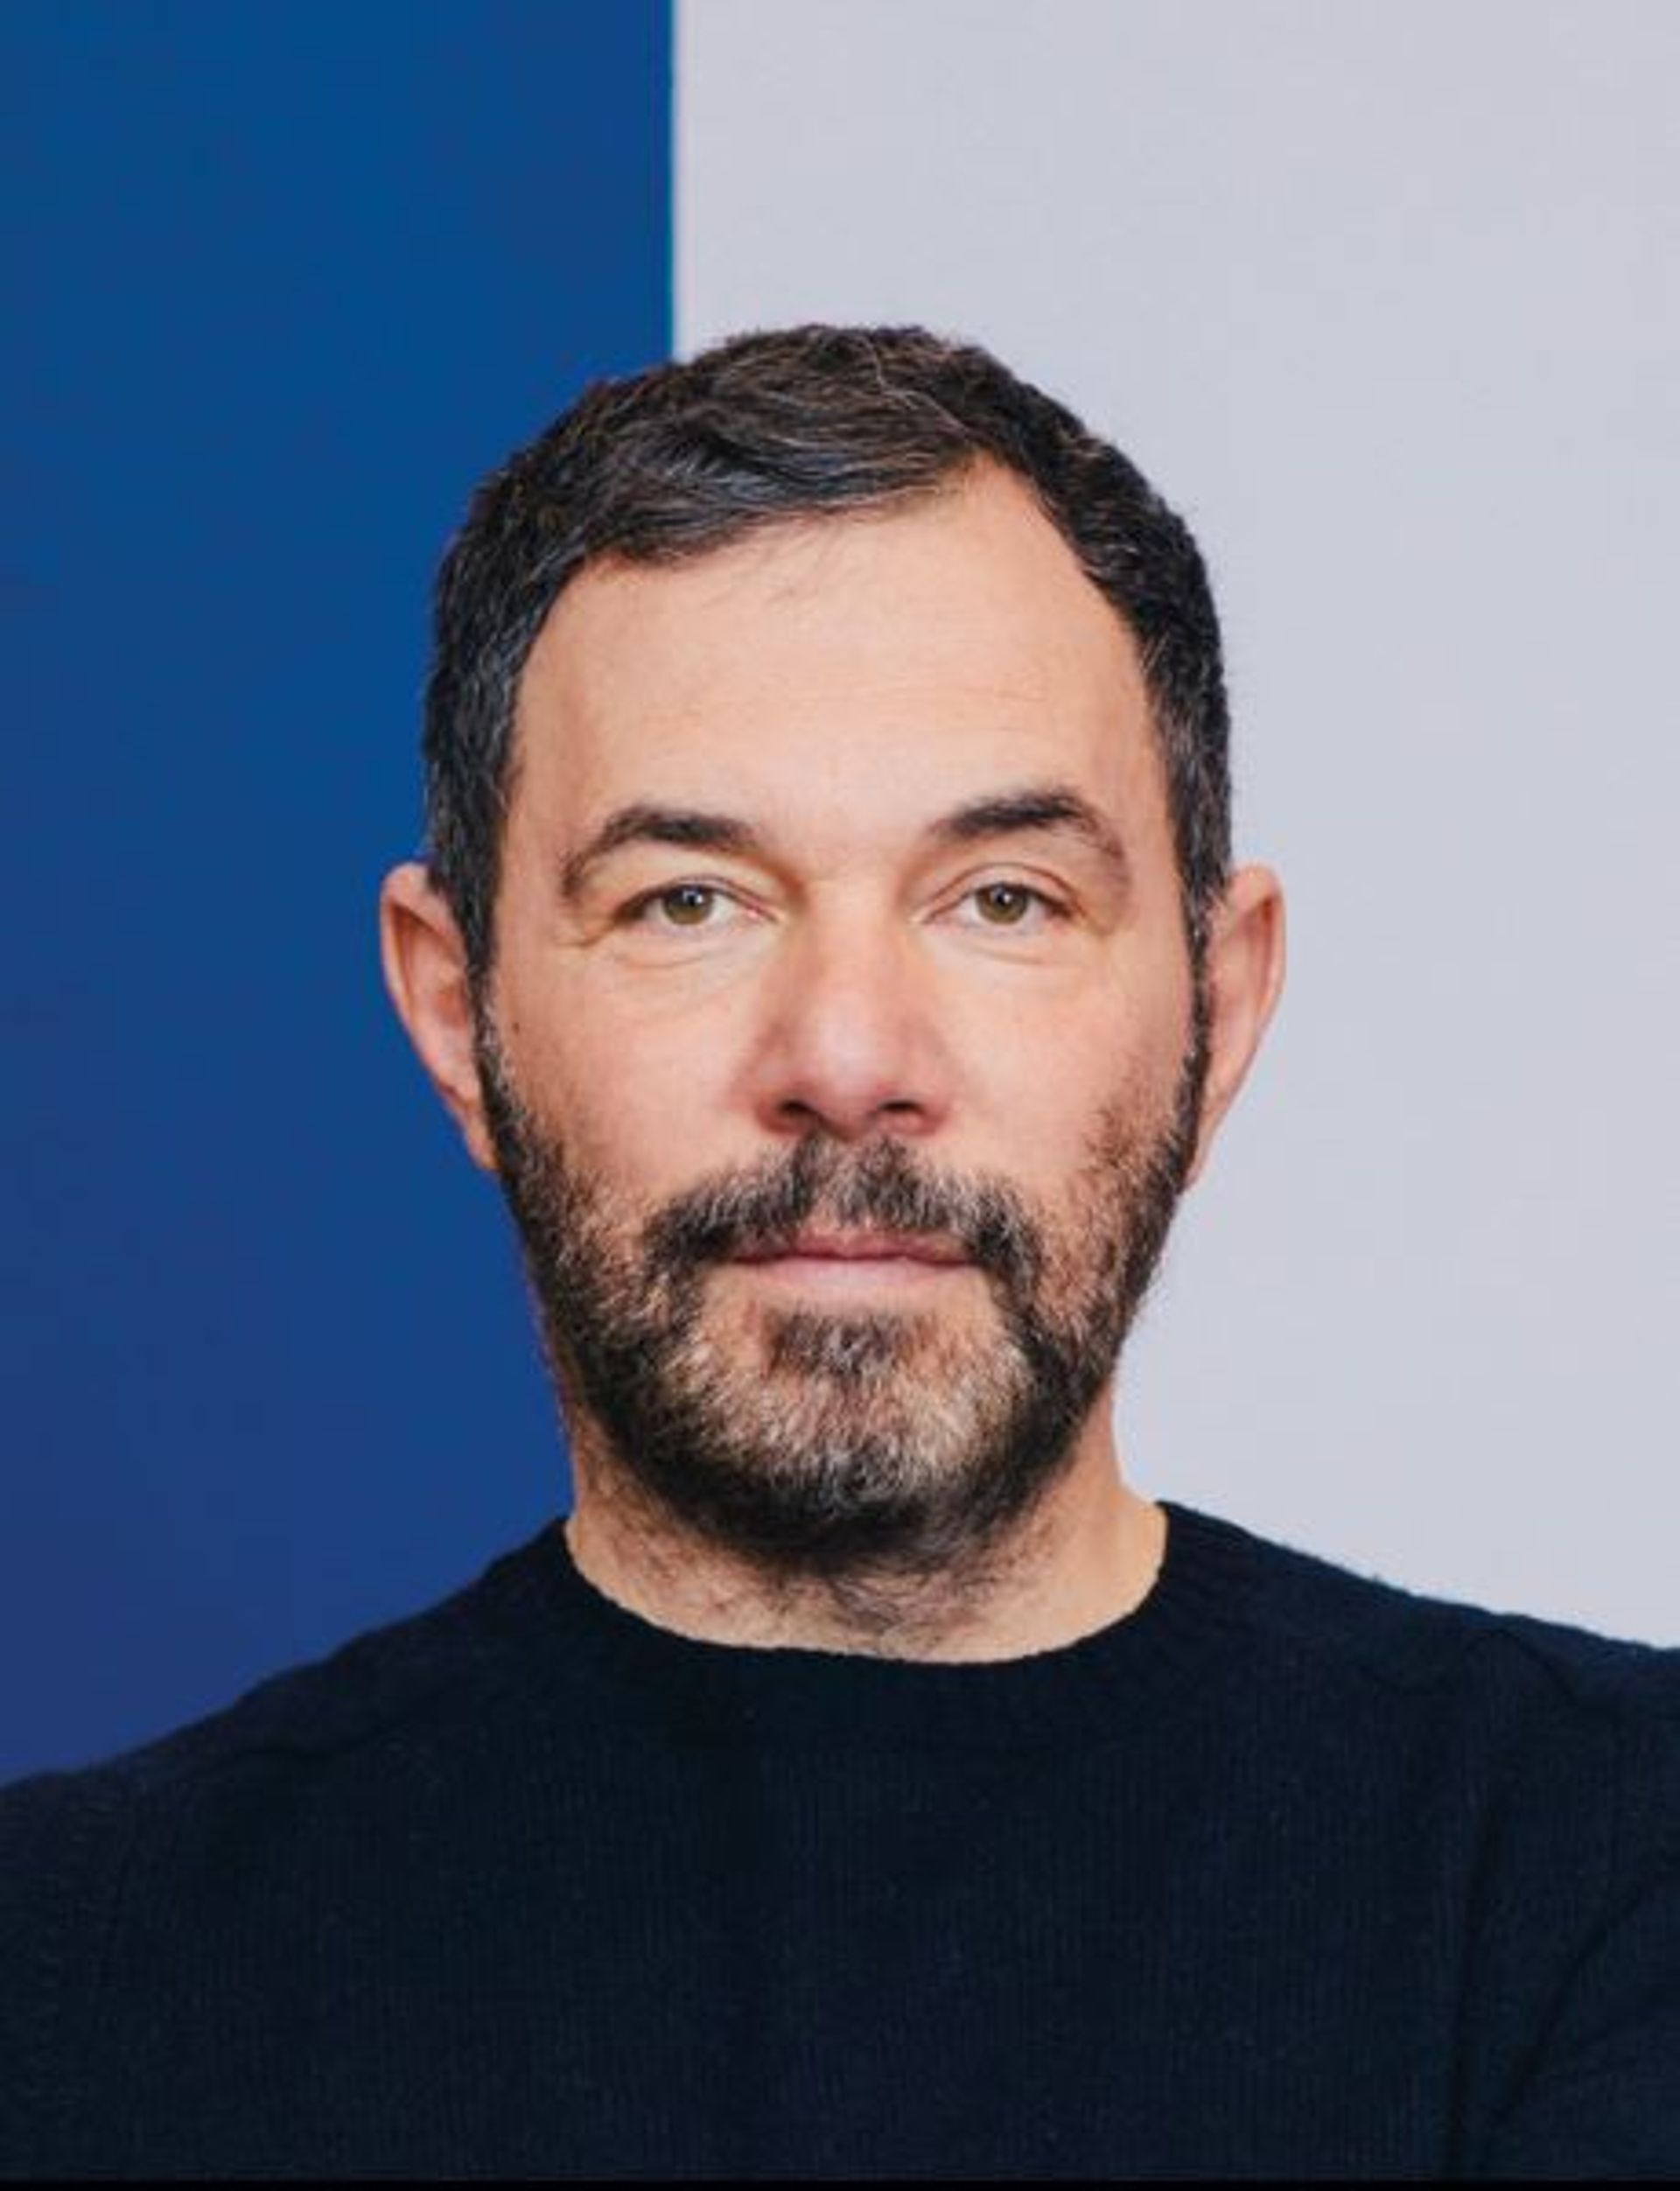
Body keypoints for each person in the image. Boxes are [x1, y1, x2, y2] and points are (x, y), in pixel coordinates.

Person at [2, 325, 1674, 2181]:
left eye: (1004, 899)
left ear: (1221, 1006)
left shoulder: (1612, 1870)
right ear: (460, 1011)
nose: (851, 1058)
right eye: (690, 902)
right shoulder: (70, 1970)